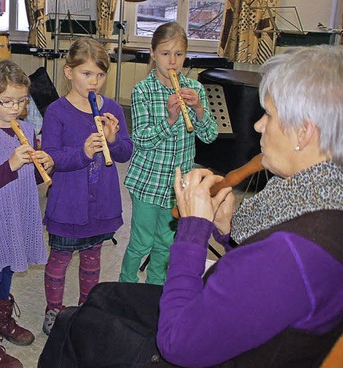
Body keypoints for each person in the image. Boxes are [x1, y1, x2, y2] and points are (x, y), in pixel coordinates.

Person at [40, 44, 343, 367]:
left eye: (268, 115)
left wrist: (194, 229)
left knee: (80, 330)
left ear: (304, 132)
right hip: (228, 317)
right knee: (101, 297)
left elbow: (177, 344)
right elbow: (255, 276)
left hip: (205, 346)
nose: (258, 126)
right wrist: (226, 232)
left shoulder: (297, 249)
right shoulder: (312, 193)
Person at [41, 37, 133, 335]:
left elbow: (124, 153)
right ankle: (54, 310)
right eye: (86, 74)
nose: (94, 82)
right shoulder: (57, 111)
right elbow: (52, 158)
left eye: (100, 75)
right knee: (59, 261)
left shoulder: (113, 110)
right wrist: (84, 152)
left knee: (93, 260)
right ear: (69, 72)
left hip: (101, 203)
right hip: (68, 204)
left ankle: (85, 309)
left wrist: (113, 139)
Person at [0, 60, 54, 368]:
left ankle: (2, 321)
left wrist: (43, 163)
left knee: (7, 271)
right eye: (6, 102)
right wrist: (12, 164)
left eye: (20, 102)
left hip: (19, 211)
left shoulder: (28, 129)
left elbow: (27, 178)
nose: (14, 108)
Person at [119, 22, 218, 285]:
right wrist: (170, 120)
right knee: (141, 242)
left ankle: (153, 294)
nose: (172, 61)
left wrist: (198, 110)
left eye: (179, 54)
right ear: (153, 54)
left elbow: (209, 135)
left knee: (165, 243)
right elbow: (140, 140)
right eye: (165, 54)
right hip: (148, 182)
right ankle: (125, 288)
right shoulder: (142, 91)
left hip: (179, 184)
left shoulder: (195, 89)